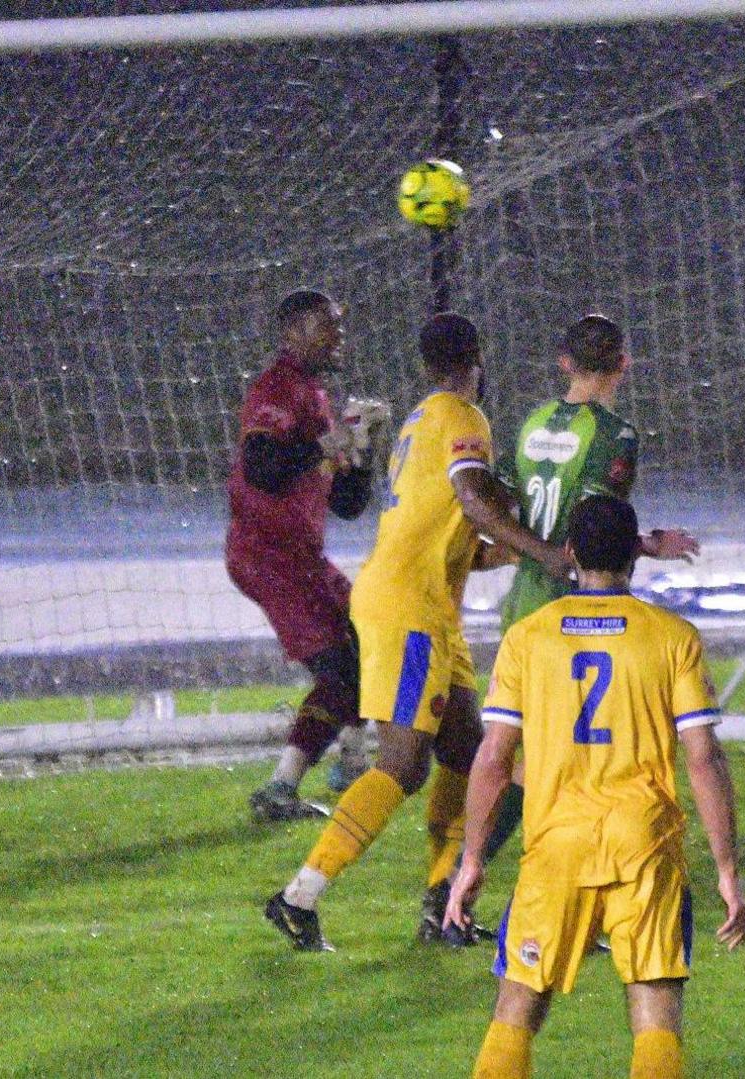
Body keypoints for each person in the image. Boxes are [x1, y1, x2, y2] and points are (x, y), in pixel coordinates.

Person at [265, 312, 574, 952]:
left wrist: (518, 547)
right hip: (410, 612)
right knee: (403, 767)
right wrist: (542, 549)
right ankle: (298, 897)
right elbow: (473, 503)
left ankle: (443, 911)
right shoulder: (463, 418)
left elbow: (461, 540)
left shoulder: (419, 419)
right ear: (476, 362)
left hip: (424, 607)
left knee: (469, 755)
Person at [446, 495, 745, 1079]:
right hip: (645, 844)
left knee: (518, 1006)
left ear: (570, 553)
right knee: (655, 1009)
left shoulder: (528, 638)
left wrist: (472, 860)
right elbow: (703, 758)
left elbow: (493, 757)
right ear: (633, 558)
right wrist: (727, 869)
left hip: (557, 844)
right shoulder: (672, 637)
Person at [473, 313, 701, 874]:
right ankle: (505, 879)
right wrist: (649, 545)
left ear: (565, 363)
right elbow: (596, 526)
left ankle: (461, 881)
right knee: (572, 759)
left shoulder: (531, 424)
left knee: (514, 752)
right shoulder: (616, 435)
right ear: (624, 363)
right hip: (576, 609)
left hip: (522, 607)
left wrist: (512, 549)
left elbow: (501, 500)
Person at [228, 289, 386, 822]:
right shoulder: (276, 388)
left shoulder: (315, 397)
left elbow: (347, 504)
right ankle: (281, 789)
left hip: (300, 556)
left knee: (368, 640)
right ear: (292, 332)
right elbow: (262, 469)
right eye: (327, 325)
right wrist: (327, 443)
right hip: (267, 554)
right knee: (339, 672)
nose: (338, 336)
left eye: (339, 325)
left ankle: (352, 761)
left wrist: (361, 451)